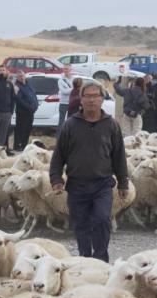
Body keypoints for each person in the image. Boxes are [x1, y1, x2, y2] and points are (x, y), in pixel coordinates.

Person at [48, 82, 129, 262]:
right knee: (80, 225)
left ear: (102, 99)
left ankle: (100, 259)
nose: (91, 100)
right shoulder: (70, 125)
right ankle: (85, 259)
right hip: (77, 185)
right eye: (87, 96)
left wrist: (123, 181)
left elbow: (119, 156)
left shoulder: (111, 125)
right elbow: (58, 156)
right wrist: (56, 179)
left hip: (102, 184)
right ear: (81, 99)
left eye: (95, 96)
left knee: (102, 220)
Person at [12, 71, 39, 150]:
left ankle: (24, 145)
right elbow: (19, 99)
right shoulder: (17, 86)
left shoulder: (28, 84)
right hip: (22, 112)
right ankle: (17, 145)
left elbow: (34, 95)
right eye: (20, 76)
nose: (22, 77)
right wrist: (29, 107)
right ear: (17, 77)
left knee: (28, 129)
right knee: (20, 129)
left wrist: (35, 106)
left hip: (31, 112)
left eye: (23, 75)